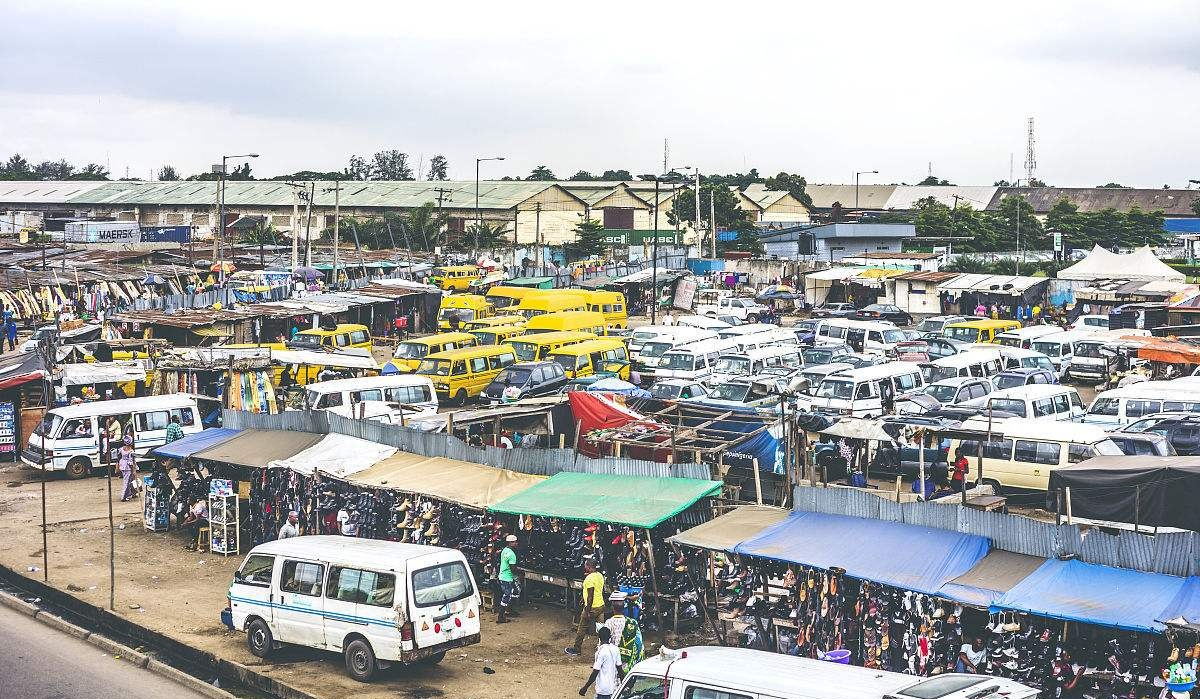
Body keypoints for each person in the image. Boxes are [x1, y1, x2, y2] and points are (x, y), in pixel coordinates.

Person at [566, 559, 607, 656]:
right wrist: (583, 598)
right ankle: (604, 648)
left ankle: (577, 649)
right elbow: (598, 591)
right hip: (601, 606)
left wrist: (587, 610)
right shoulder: (600, 575)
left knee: (582, 628)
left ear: (588, 566)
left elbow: (590, 596)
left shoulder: (589, 579)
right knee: (601, 628)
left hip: (591, 608)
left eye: (585, 566)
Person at [603, 591, 644, 673]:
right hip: (627, 659)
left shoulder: (609, 622)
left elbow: (604, 643)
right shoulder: (633, 622)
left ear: (612, 607)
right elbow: (639, 643)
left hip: (613, 659)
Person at [578, 626, 623, 699]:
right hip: (613, 688)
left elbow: (595, 671)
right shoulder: (616, 649)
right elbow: (620, 670)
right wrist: (625, 686)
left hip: (602, 689)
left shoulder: (600, 651)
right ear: (610, 636)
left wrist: (585, 687)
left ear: (599, 637)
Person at [497, 534, 519, 623]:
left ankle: (509, 610)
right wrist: (520, 573)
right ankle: (500, 617)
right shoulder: (511, 554)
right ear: (509, 543)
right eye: (514, 542)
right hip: (507, 578)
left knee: (516, 591)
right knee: (507, 596)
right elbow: (513, 569)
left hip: (503, 576)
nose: (516, 543)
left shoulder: (504, 550)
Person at [117, 435, 138, 502]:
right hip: (127, 467)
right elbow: (130, 462)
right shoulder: (131, 451)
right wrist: (133, 470)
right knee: (126, 481)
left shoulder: (122, 449)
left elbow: (118, 457)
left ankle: (131, 493)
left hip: (122, 465)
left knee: (130, 480)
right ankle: (123, 496)